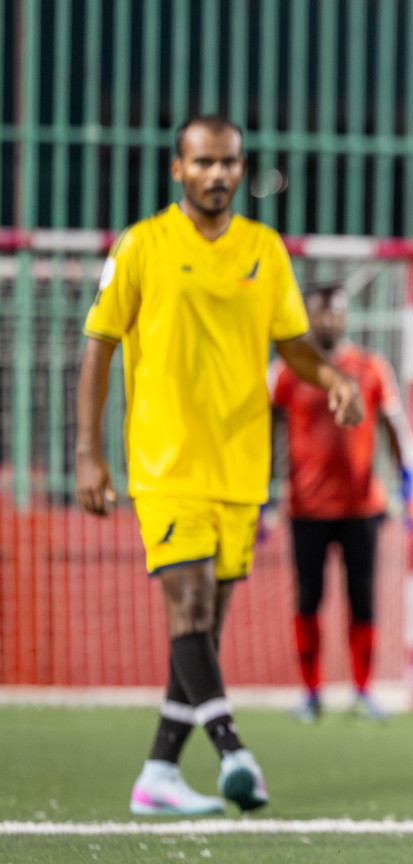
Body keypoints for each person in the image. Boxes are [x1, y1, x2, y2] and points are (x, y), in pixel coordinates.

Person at [77, 115, 362, 816]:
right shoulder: (142, 246)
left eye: (228, 162)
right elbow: (99, 347)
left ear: (240, 169)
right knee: (191, 604)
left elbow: (293, 344)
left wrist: (329, 378)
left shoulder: (264, 249)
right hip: (164, 461)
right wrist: (87, 452)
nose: (217, 174)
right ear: (178, 169)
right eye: (202, 161)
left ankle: (158, 775)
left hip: (240, 468)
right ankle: (235, 750)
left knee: (203, 627)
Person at [270, 285, 408, 722]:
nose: (328, 321)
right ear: (306, 317)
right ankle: (311, 692)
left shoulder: (370, 368)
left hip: (362, 507)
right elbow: (268, 433)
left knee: (362, 599)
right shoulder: (288, 372)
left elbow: (393, 429)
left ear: (347, 318)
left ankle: (363, 690)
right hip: (306, 508)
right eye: (319, 314)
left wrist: (407, 481)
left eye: (335, 314)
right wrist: (263, 494)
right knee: (308, 599)